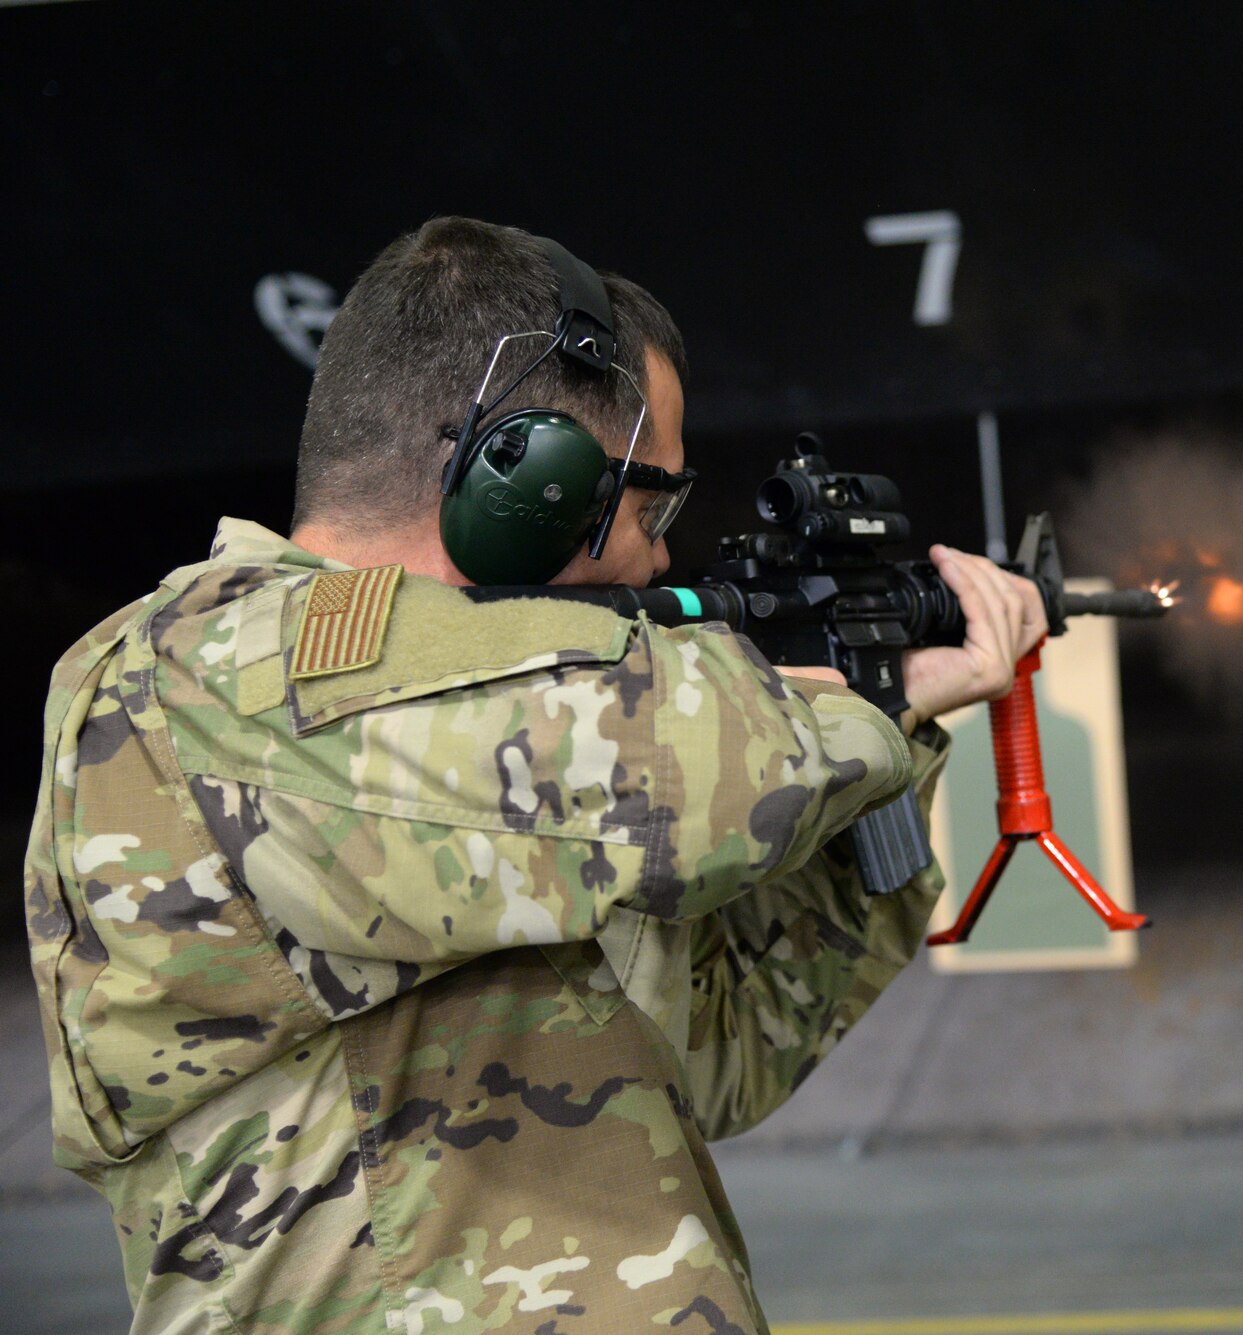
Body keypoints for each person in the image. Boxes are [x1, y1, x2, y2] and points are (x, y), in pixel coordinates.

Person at [23, 217, 1045, 1334]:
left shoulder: (528, 781)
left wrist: (901, 723)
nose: (659, 559)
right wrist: (860, 714)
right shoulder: (197, 669)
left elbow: (734, 1052)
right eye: (649, 505)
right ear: (533, 478)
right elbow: (711, 780)